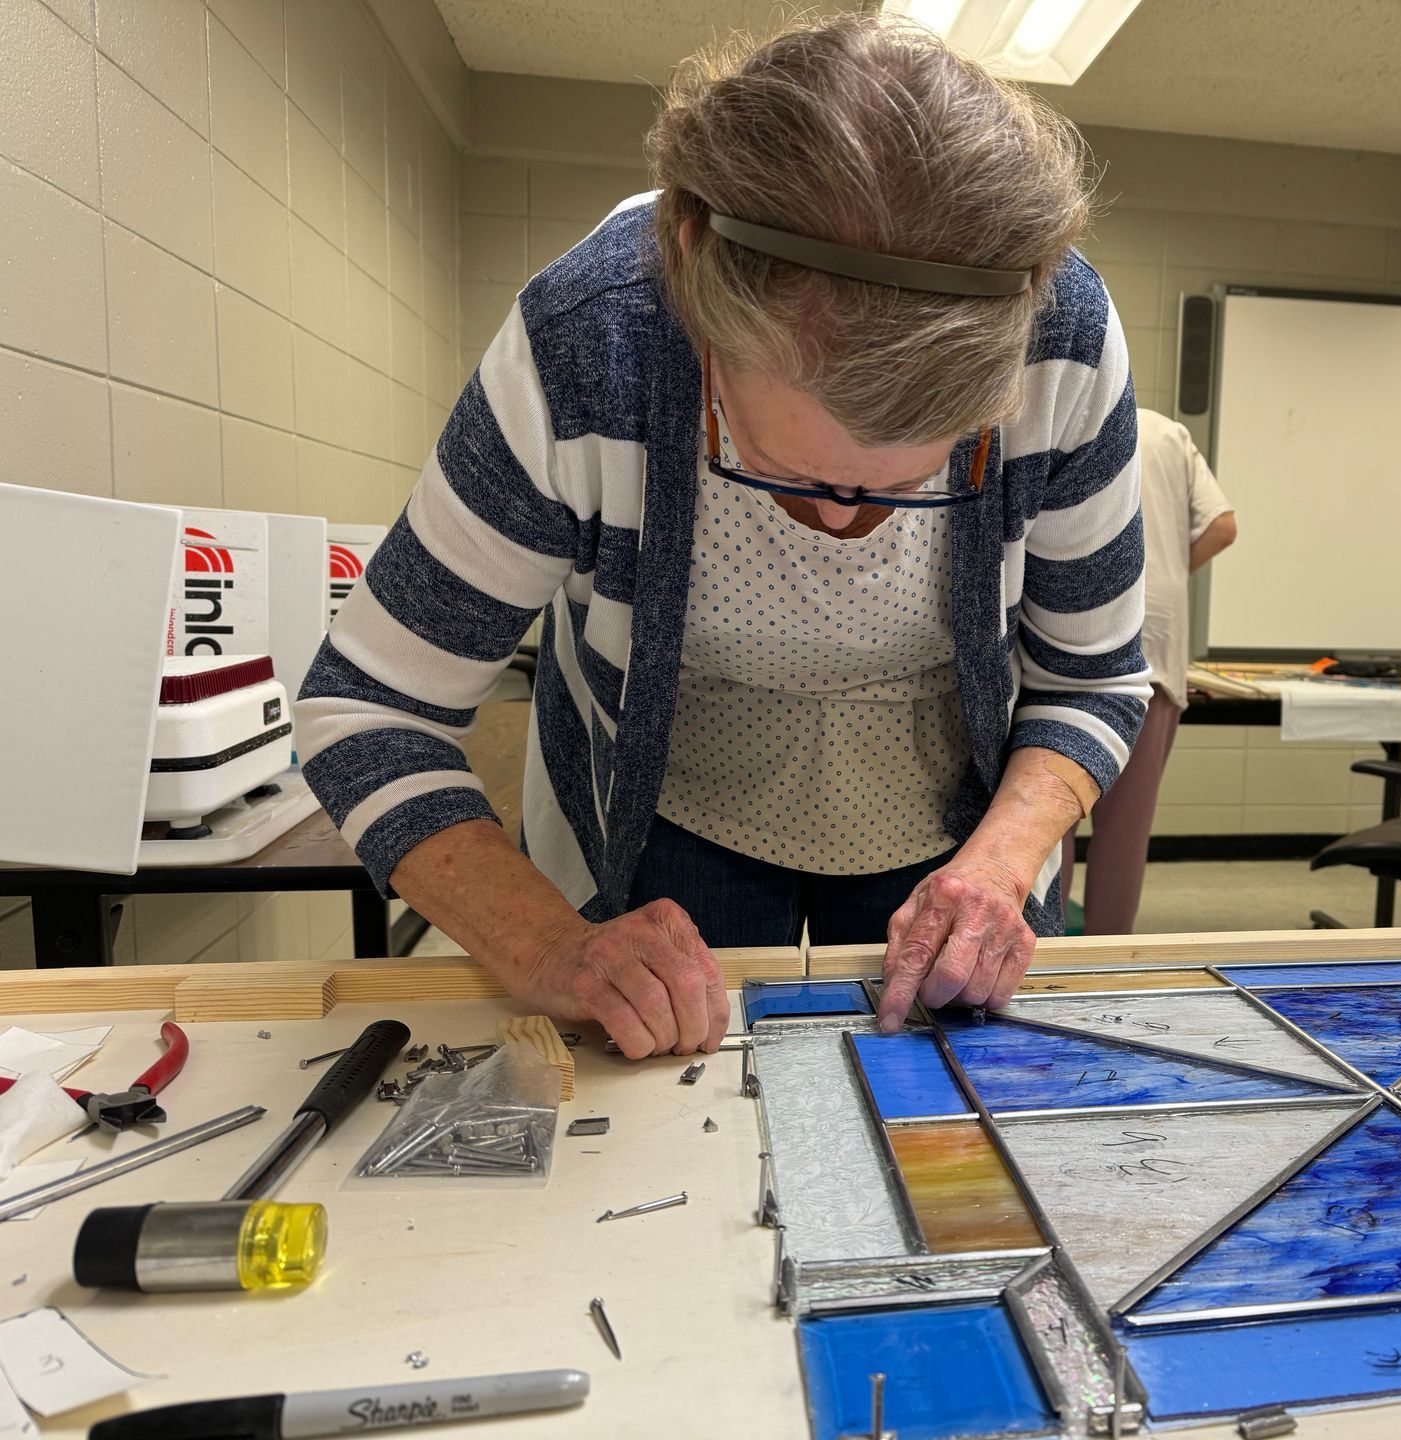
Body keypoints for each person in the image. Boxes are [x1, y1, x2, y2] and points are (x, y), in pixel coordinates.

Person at [294, 16, 1148, 1057]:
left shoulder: (1060, 340)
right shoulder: (589, 342)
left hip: (952, 822)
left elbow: (1093, 680)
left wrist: (1001, 865)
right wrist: (551, 947)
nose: (841, 524)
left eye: (911, 479)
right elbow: (367, 710)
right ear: (696, 279)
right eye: (792, 473)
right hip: (662, 811)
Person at [1060, 408, 1235, 934]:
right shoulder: (1167, 431)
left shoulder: (1063, 413)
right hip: (1153, 639)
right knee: (1125, 832)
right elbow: (1222, 527)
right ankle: (1108, 960)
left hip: (1069, 630)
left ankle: (1040, 953)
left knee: (1052, 815)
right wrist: (1166, 570)